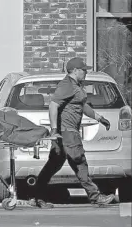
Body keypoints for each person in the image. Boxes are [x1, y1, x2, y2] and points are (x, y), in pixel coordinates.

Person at [30, 57, 115, 208]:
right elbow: (53, 105)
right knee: (80, 163)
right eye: (84, 70)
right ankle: (95, 196)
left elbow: (82, 106)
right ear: (75, 71)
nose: (86, 72)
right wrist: (55, 130)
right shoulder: (67, 85)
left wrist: (100, 118)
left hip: (67, 132)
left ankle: (38, 197)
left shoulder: (77, 85)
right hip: (67, 132)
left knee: (53, 165)